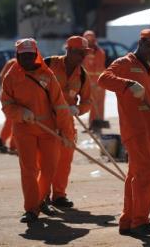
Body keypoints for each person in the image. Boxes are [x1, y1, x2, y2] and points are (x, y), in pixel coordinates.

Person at [98, 28, 150, 236]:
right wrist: (127, 84)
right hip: (134, 128)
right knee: (145, 173)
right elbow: (103, 79)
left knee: (135, 175)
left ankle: (128, 221)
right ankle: (140, 222)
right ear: (141, 43)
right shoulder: (124, 64)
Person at [0, 38, 75, 223]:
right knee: (29, 169)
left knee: (49, 168)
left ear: (36, 55)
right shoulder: (11, 76)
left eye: (30, 56)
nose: (27, 60)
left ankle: (40, 200)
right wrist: (20, 112)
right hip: (24, 129)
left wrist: (67, 133)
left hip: (48, 129)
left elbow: (60, 106)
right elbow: (6, 104)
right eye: (23, 56)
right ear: (17, 55)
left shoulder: (47, 75)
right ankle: (31, 209)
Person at [44, 35, 91, 208]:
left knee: (64, 160)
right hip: (46, 119)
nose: (83, 57)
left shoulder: (83, 75)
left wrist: (78, 109)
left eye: (85, 53)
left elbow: (88, 101)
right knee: (45, 159)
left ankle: (59, 195)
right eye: (80, 53)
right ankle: (43, 196)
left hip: (67, 122)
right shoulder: (48, 64)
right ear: (69, 50)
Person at [82, 30, 106, 129]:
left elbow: (99, 69)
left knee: (99, 103)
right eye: (86, 39)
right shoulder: (84, 52)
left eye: (90, 38)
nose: (88, 41)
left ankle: (98, 124)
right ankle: (92, 124)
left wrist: (96, 83)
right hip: (89, 82)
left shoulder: (99, 52)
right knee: (91, 103)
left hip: (98, 83)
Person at [0, 58, 17, 153]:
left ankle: (3, 141)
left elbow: (1, 76)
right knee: (13, 121)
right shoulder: (13, 63)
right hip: (10, 97)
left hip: (12, 97)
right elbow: (3, 77)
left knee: (11, 121)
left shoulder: (12, 62)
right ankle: (12, 144)